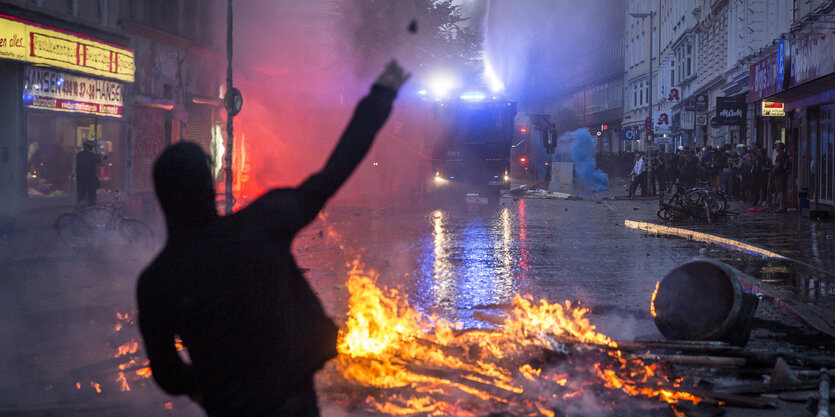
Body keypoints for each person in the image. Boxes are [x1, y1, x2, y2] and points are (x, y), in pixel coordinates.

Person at [136, 60, 410, 417]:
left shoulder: (157, 282)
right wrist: (380, 97)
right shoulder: (260, 226)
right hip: (292, 404)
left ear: (162, 199)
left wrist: (203, 385)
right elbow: (333, 173)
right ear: (210, 188)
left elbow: (169, 375)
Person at [75, 140, 107, 206]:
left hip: (80, 181)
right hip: (90, 181)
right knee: (91, 198)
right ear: (91, 147)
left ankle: (80, 212)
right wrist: (101, 156)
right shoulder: (92, 155)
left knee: (81, 198)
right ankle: (90, 212)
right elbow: (102, 164)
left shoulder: (79, 155)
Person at [770, 141, 789, 213]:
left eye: (777, 146)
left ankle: (781, 206)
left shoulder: (779, 156)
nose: (776, 148)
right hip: (784, 174)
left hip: (779, 175)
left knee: (780, 191)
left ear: (779, 148)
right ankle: (784, 206)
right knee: (783, 190)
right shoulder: (785, 155)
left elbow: (777, 166)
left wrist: (772, 172)